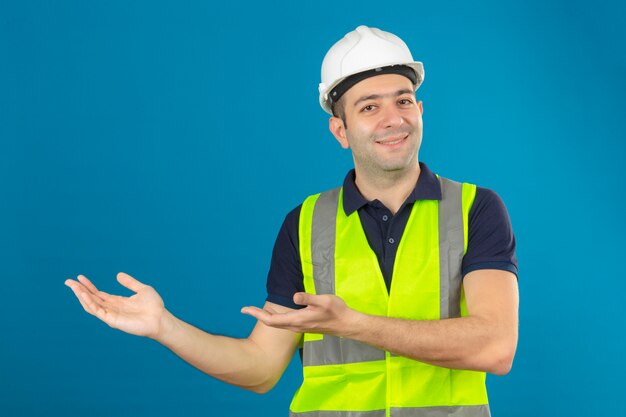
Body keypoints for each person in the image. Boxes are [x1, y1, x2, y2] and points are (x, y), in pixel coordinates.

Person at [65, 25, 519, 417]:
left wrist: (354, 324)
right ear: (340, 131)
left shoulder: (475, 208)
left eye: (404, 99)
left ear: (420, 111)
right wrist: (165, 327)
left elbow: (496, 347)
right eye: (368, 107)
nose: (393, 118)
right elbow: (261, 368)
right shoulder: (304, 224)